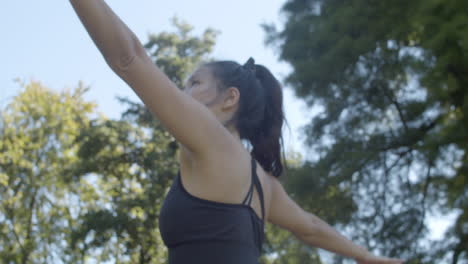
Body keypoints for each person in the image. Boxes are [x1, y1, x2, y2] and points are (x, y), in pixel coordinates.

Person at [69, 1, 405, 263]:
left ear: (230, 98)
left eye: (195, 83)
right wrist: (363, 254)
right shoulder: (264, 184)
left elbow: (129, 58)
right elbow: (311, 228)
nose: (182, 92)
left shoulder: (211, 140)